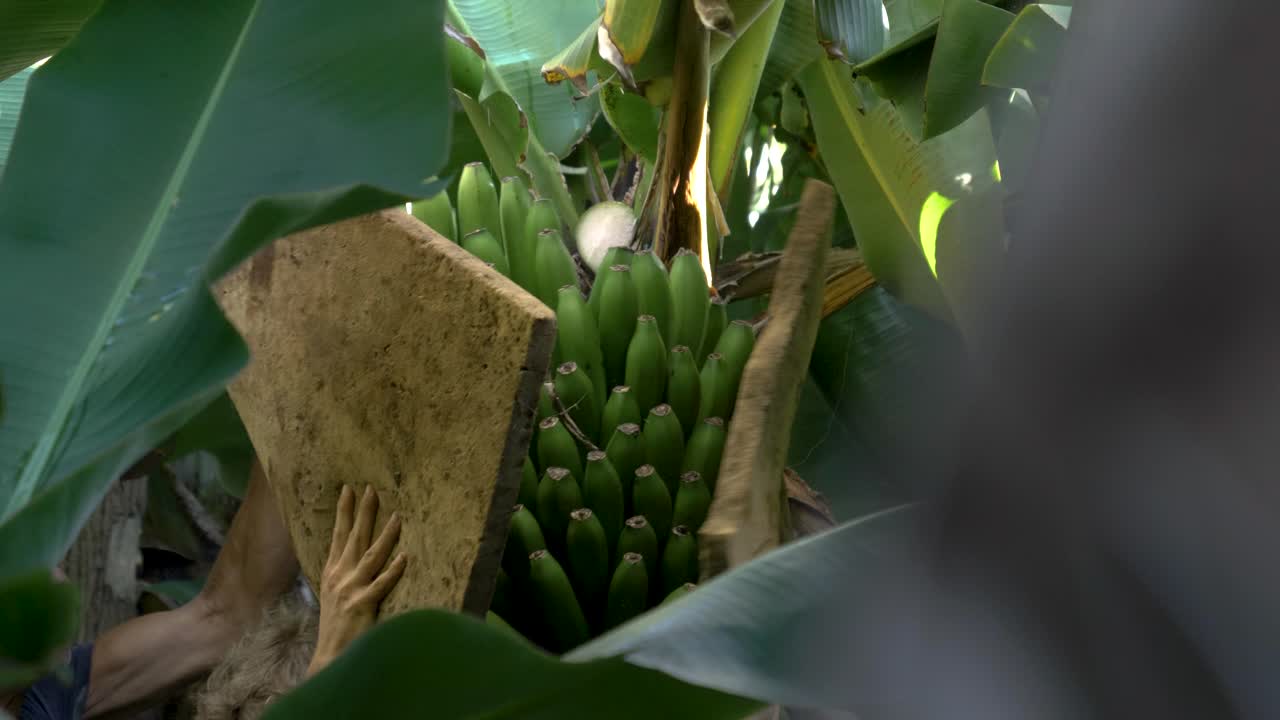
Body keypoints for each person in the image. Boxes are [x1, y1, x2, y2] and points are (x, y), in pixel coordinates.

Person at [1, 462, 406, 720]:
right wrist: (331, 664)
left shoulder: (39, 694)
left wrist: (288, 410)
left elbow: (226, 616)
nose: (60, 578)